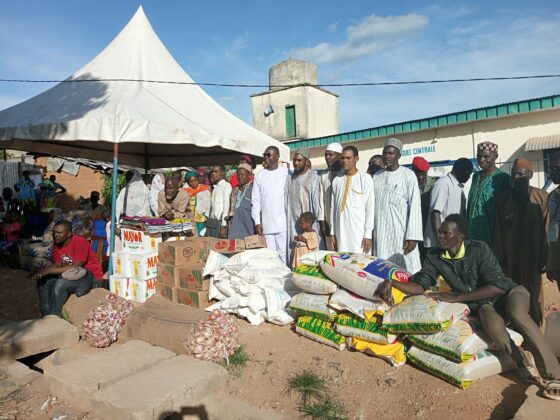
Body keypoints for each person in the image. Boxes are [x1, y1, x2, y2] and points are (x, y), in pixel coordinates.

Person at [376, 214, 560, 400]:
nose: (439, 236)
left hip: (510, 293)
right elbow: (419, 286)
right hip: (483, 304)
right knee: (494, 327)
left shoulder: (479, 249)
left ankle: (554, 374)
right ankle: (522, 361)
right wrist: (392, 282)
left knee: (517, 313)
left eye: (445, 233)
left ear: (460, 237)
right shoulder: (434, 257)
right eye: (439, 232)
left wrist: (458, 297)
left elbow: (497, 285)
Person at [493, 158, 549, 326]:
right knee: (511, 292)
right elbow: (498, 231)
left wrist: (545, 258)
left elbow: (547, 230)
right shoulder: (502, 199)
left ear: (530, 175)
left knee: (534, 292)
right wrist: (499, 256)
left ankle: (535, 327)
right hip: (510, 258)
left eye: (520, 175)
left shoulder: (541, 197)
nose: (516, 178)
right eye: (513, 175)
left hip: (533, 258)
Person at [30, 220, 103, 318]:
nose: (55, 235)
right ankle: (46, 315)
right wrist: (41, 272)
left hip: (91, 277)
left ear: (69, 234)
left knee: (60, 284)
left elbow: (77, 266)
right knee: (43, 281)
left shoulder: (80, 242)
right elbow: (57, 264)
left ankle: (57, 316)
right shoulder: (57, 244)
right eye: (54, 232)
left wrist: (48, 271)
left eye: (59, 233)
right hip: (72, 275)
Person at [373, 138, 423, 273]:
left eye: (391, 153)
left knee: (406, 270)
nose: (387, 156)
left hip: (401, 233)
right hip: (381, 233)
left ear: (399, 156)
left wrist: (413, 236)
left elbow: (415, 207)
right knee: (382, 268)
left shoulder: (408, 175)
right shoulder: (377, 176)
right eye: (385, 153)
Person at [330, 145, 374, 254]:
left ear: (356, 159)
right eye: (343, 158)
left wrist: (368, 234)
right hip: (341, 233)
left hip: (359, 234)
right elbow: (333, 208)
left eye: (348, 158)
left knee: (361, 265)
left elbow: (370, 207)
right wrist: (332, 233)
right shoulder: (337, 181)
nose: (345, 161)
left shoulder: (365, 179)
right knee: (343, 264)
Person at [467, 141, 511, 247]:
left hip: (492, 236)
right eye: (479, 157)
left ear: (495, 156)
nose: (481, 160)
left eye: (486, 157)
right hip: (472, 233)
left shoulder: (503, 178)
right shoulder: (475, 176)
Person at [424, 158, 473, 250]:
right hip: (438, 245)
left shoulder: (458, 188)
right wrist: (441, 239)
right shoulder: (443, 184)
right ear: (459, 169)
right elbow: (435, 214)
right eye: (468, 173)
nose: (469, 177)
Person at [252, 146, 290, 263]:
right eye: (265, 154)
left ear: (277, 156)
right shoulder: (260, 175)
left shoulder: (287, 173)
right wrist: (257, 222)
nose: (266, 157)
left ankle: (286, 281)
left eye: (269, 155)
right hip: (266, 225)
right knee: (270, 258)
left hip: (283, 223)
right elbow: (255, 200)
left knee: (284, 256)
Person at [286, 147, 322, 260]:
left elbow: (317, 202)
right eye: (294, 160)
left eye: (299, 160)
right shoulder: (290, 178)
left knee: (311, 253)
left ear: (307, 162)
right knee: (295, 252)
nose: (296, 163)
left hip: (310, 223)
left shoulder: (314, 177)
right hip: (293, 223)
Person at [318, 142, 343, 250]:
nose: (327, 158)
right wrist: (323, 222)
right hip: (328, 221)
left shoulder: (345, 173)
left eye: (331, 155)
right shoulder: (324, 175)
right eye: (326, 155)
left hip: (344, 221)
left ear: (339, 156)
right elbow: (321, 200)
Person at [228, 163, 255, 239]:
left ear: (249, 175)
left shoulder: (254, 189)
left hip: (249, 229)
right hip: (234, 230)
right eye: (238, 174)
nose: (239, 177)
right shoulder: (235, 190)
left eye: (242, 174)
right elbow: (230, 211)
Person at [547, 151, 560, 292]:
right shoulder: (553, 197)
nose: (552, 172)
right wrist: (551, 263)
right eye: (551, 168)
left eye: (557, 168)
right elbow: (552, 233)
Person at [207, 165, 232, 239]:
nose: (213, 174)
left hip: (220, 223)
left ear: (223, 173)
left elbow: (226, 207)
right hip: (212, 223)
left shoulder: (226, 186)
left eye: (216, 172)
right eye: (212, 172)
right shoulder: (215, 187)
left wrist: (223, 226)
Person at [183, 171, 211, 236]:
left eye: (195, 180)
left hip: (201, 217)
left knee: (201, 234)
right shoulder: (185, 191)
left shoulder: (204, 188)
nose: (194, 183)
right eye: (191, 181)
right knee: (193, 234)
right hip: (190, 216)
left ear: (198, 179)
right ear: (188, 183)